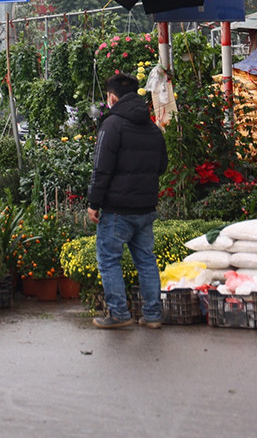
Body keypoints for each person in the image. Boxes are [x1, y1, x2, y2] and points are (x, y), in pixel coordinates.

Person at [87, 74, 168, 330]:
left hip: (117, 210)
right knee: (145, 259)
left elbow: (102, 168)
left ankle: (120, 313)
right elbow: (162, 166)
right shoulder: (152, 127)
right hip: (145, 208)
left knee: (109, 260)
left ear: (112, 97)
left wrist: (93, 203)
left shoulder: (112, 126)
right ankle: (153, 315)